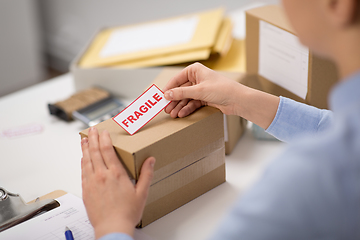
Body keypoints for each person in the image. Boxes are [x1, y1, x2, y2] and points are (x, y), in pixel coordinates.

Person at [80, 0, 360, 239]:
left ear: (338, 4)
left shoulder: (303, 186)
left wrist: (112, 226)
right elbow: (339, 128)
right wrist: (243, 99)